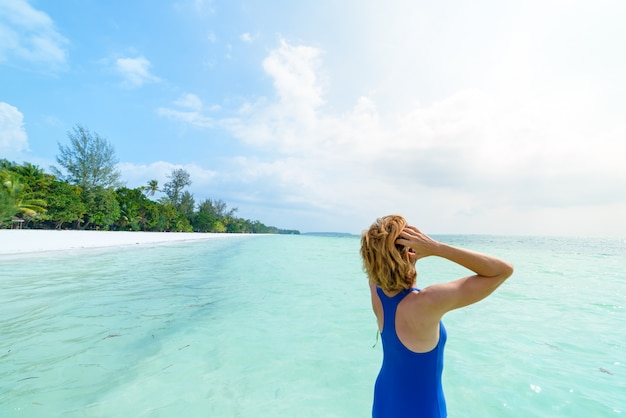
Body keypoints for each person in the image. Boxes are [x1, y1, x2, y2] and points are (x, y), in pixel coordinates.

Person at [360, 215, 514, 418]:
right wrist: (436, 248)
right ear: (409, 252)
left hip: (384, 401)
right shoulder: (427, 302)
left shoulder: (375, 288)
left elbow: (382, 268)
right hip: (421, 409)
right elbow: (502, 271)